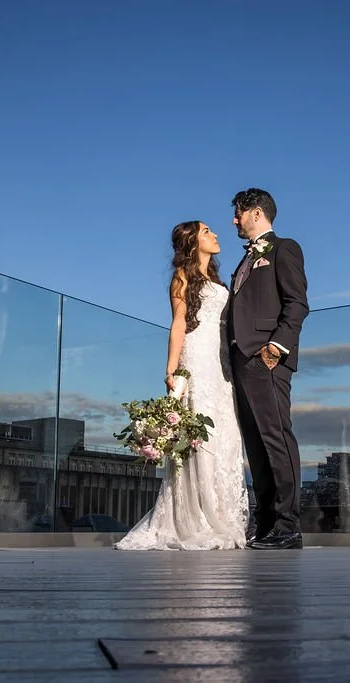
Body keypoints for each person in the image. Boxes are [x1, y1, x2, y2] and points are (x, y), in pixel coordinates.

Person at [114, 221, 249, 550]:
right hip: (197, 360)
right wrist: (172, 369)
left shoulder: (217, 280)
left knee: (226, 436)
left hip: (222, 364)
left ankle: (224, 515)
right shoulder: (182, 277)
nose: (214, 234)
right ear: (192, 242)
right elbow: (178, 323)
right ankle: (197, 518)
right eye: (206, 231)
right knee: (199, 438)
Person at [227, 188, 309, 550]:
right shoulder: (242, 260)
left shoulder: (283, 248)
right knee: (256, 444)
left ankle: (288, 525)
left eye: (238, 213)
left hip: (267, 358)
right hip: (241, 361)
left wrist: (276, 347)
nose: (234, 220)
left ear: (256, 213)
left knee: (276, 436)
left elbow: (297, 303)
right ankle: (267, 523)